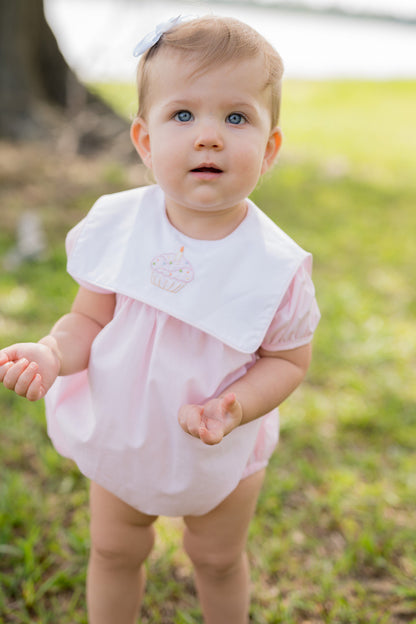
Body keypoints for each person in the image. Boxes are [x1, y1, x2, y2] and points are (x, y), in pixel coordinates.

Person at [0, 15, 320, 624]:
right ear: (144, 142)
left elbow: (287, 360)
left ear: (270, 147)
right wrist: (50, 352)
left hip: (218, 447)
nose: (209, 137)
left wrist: (237, 407)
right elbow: (87, 321)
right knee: (115, 548)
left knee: (217, 556)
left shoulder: (274, 266)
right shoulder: (119, 226)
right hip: (124, 429)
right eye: (182, 116)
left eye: (236, 117)